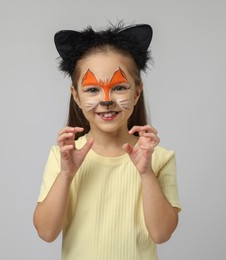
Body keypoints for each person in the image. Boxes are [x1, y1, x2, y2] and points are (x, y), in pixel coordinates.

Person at [33, 22, 181, 260]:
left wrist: (146, 173)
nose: (106, 100)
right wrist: (66, 175)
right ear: (76, 96)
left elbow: (162, 234)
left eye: (120, 87)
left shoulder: (159, 158)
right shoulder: (63, 157)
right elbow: (46, 232)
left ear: (137, 91)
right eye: (92, 90)